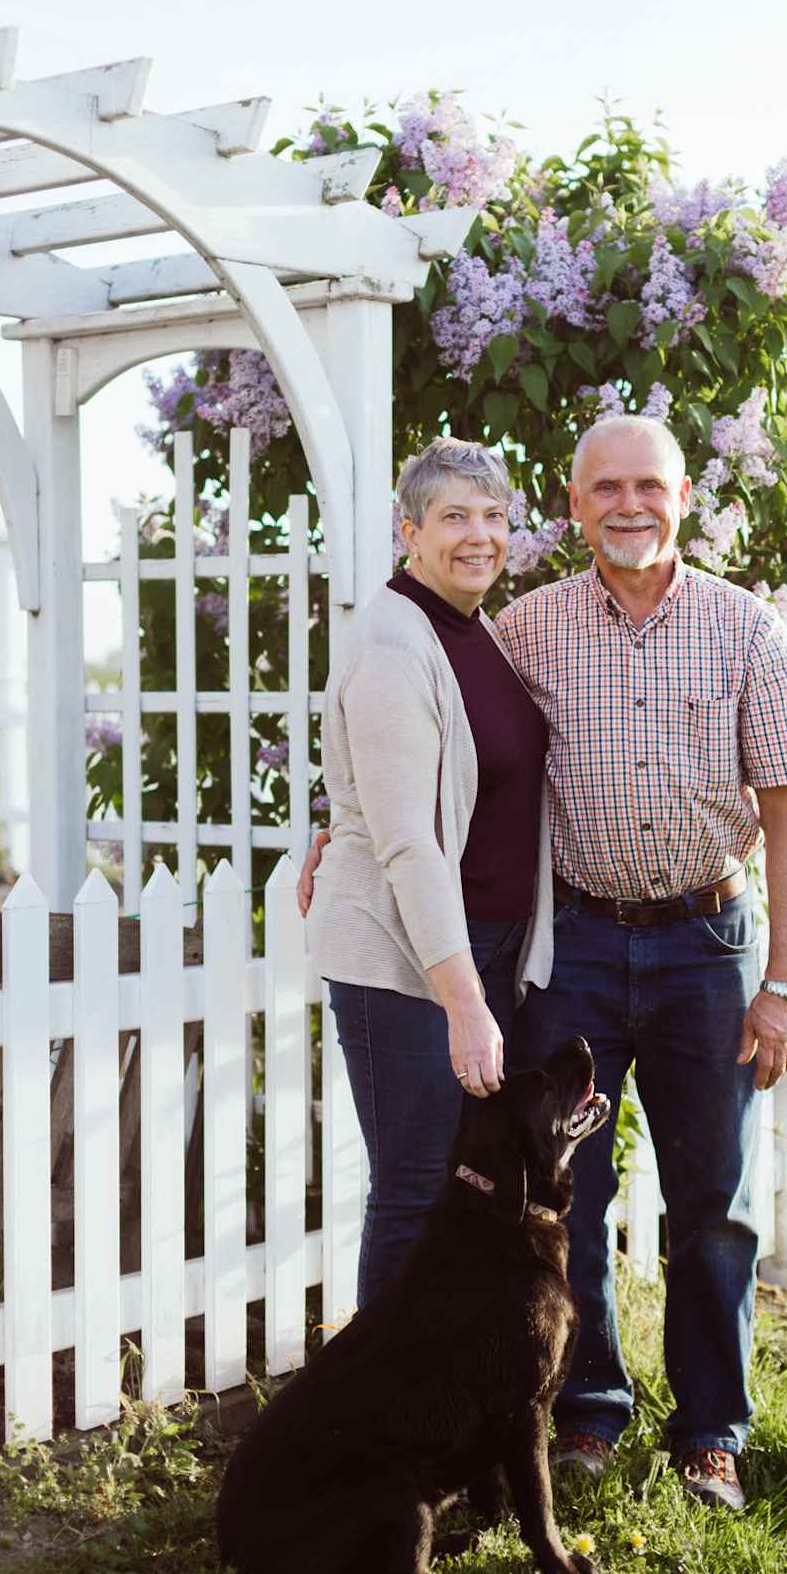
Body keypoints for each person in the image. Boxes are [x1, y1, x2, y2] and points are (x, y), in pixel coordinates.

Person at [301, 413, 787, 1510]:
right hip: (572, 944)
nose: (628, 506)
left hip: (704, 946)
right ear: (574, 506)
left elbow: (786, 816)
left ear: (682, 498)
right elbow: (408, 728)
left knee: (710, 1203)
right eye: (605, 489)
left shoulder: (744, 630)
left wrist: (780, 982)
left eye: (649, 486)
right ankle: (585, 1414)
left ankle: (709, 1433)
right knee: (561, 1201)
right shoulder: (526, 629)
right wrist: (335, 821)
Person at [306, 436, 553, 1305]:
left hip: (473, 946)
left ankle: (445, 1403)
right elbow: (408, 841)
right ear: (409, 531)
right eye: (453, 516)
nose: (478, 535)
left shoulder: (472, 625)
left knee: (465, 1191)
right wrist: (465, 1001)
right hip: (404, 962)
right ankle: (372, 1425)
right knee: (415, 1192)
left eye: (493, 516)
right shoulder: (393, 642)